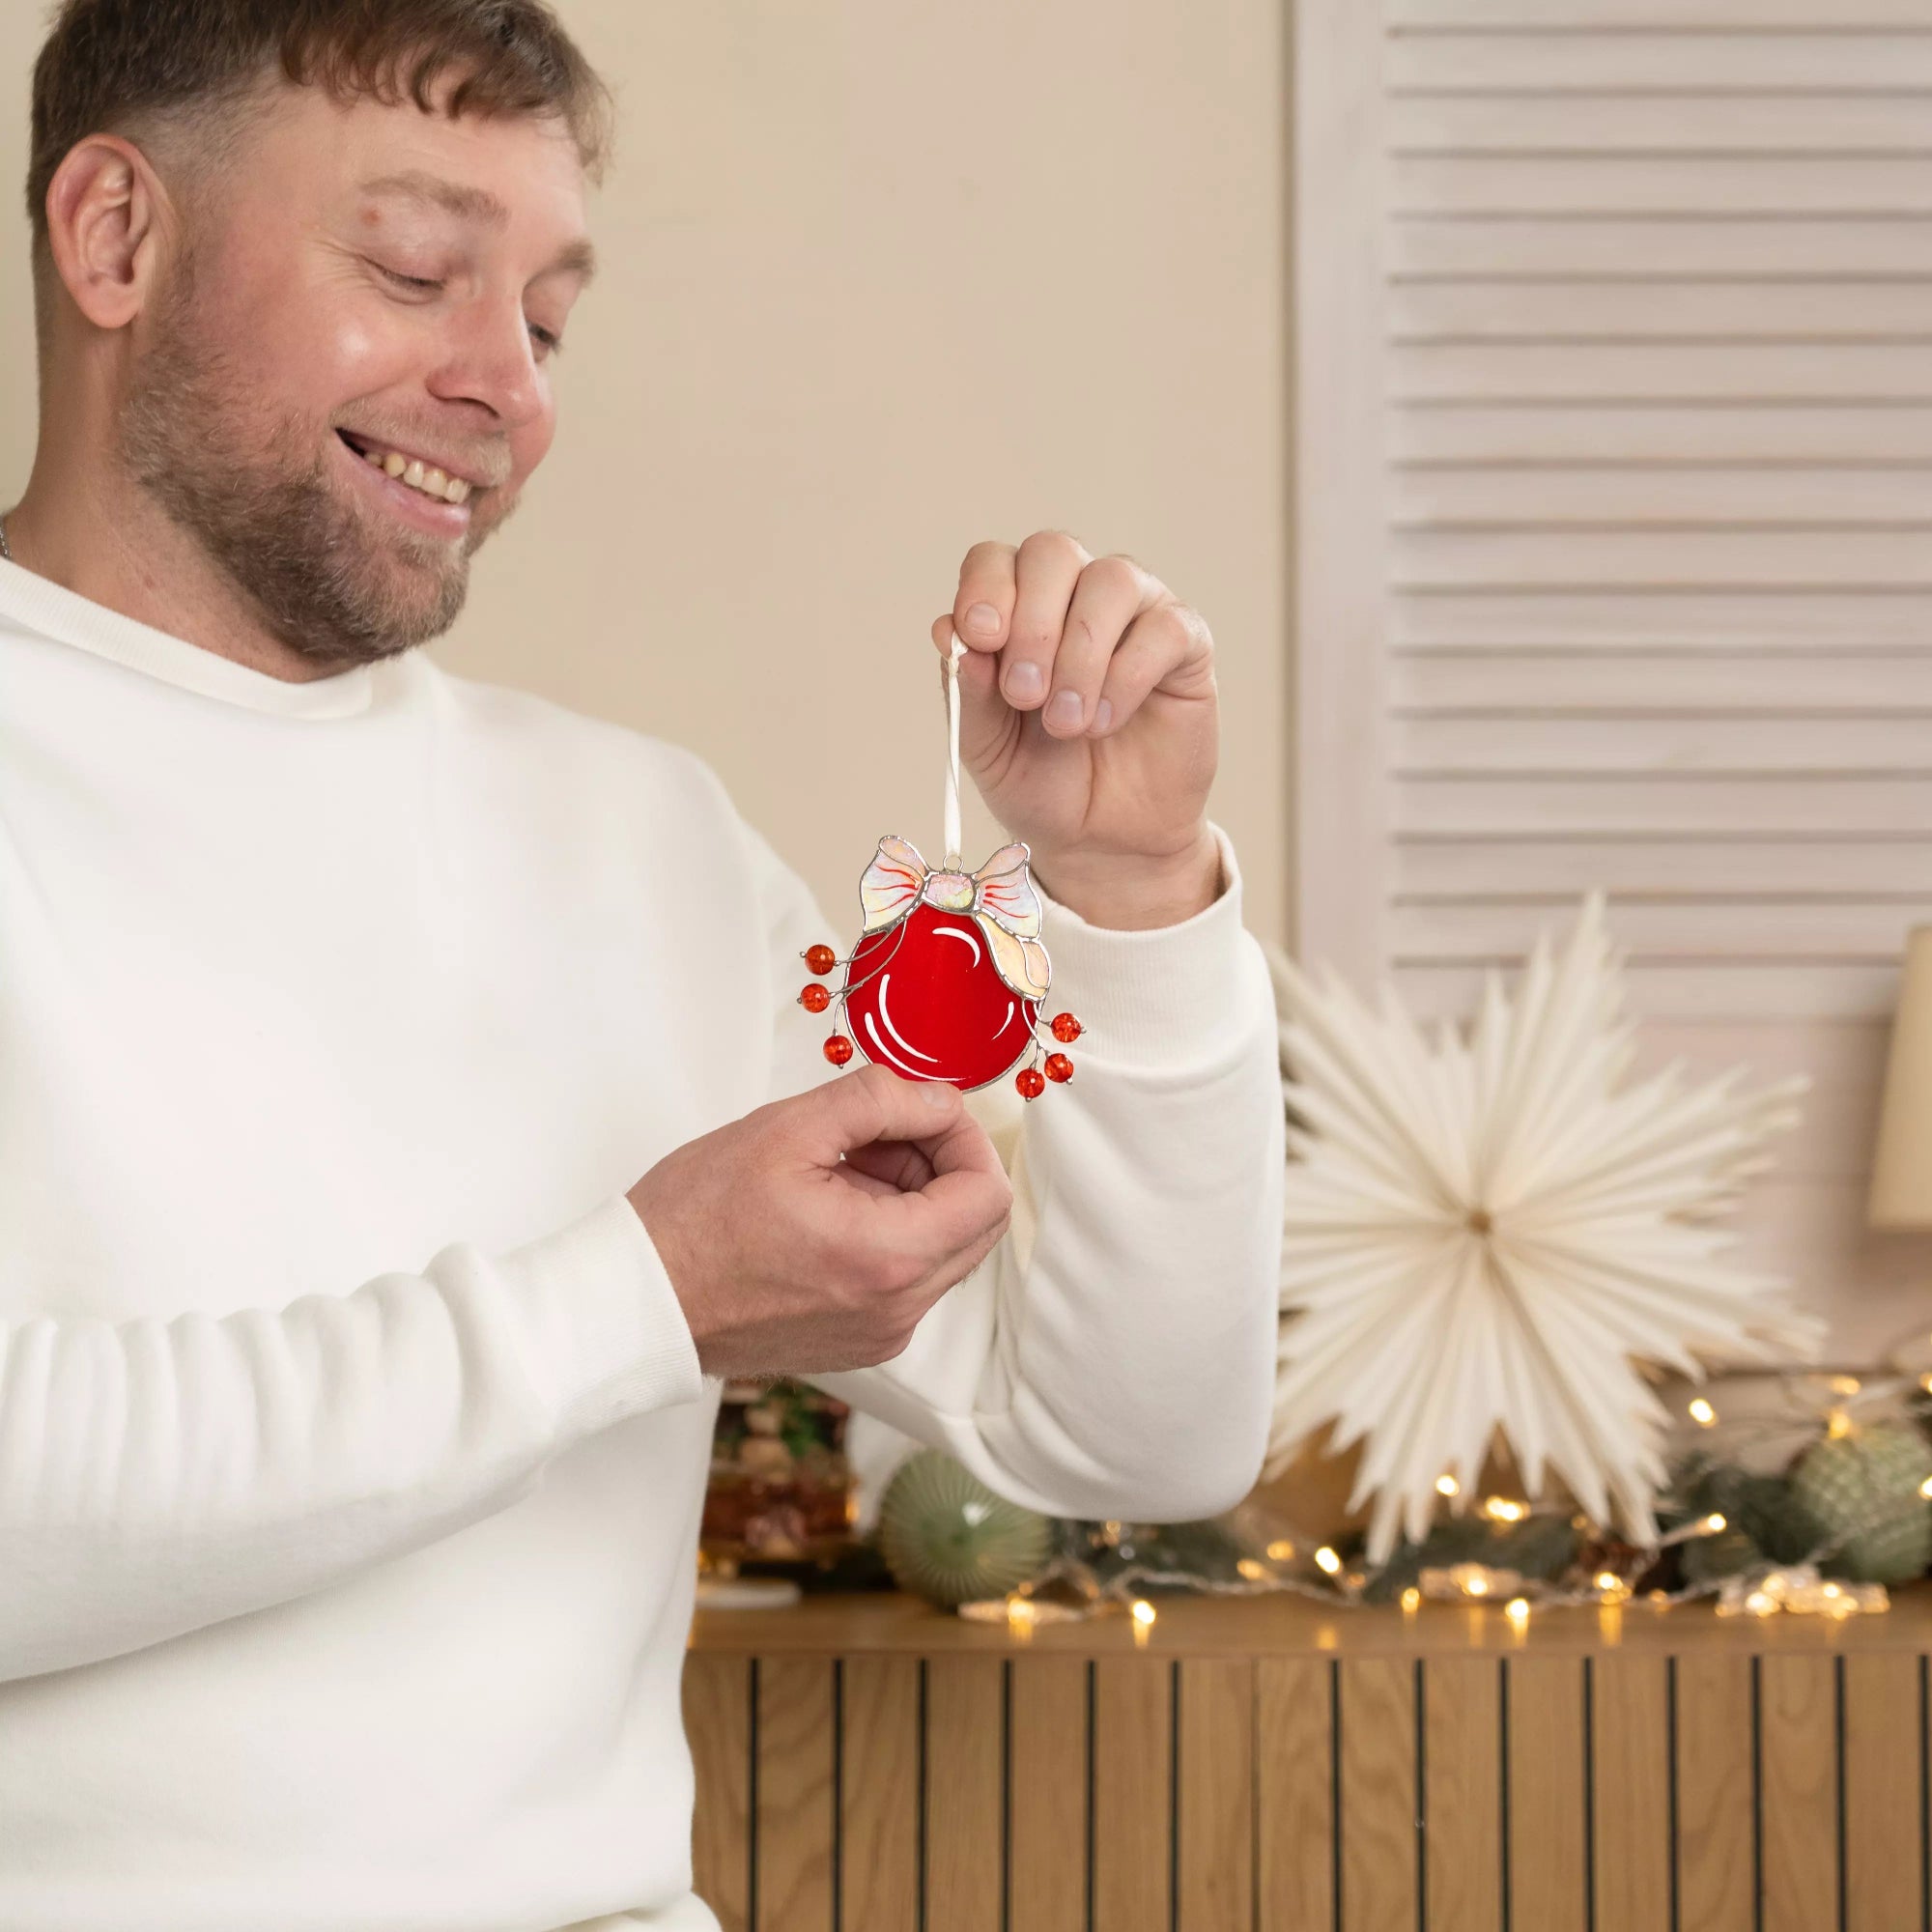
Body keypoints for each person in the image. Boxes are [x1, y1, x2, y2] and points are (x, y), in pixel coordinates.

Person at [0, 3, 1285, 1928]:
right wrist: (650, 1287)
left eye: (547, 317)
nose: (504, 384)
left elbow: (1131, 1432)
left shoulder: (644, 839)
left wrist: (1134, 887)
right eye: (417, 268)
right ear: (112, 237)